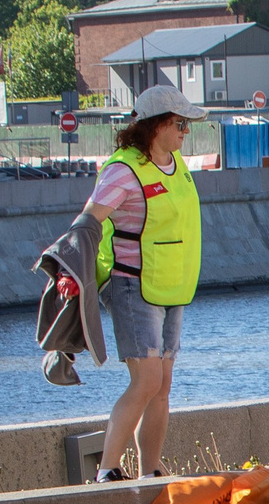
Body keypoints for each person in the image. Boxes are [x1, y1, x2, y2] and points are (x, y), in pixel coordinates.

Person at [81, 84, 206, 482]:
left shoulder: (176, 163)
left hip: (172, 286)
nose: (186, 131)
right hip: (132, 285)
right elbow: (88, 221)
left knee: (163, 383)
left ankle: (151, 469)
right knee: (147, 379)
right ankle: (108, 469)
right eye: (180, 123)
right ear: (156, 125)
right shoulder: (124, 169)